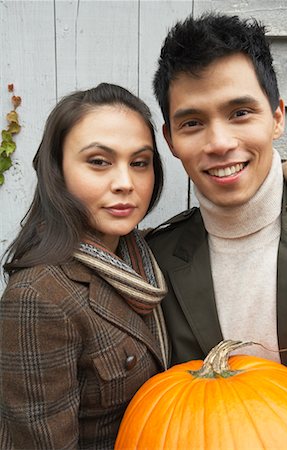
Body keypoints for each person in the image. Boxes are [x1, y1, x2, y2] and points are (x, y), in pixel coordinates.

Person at [0, 83, 169, 449]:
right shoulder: (39, 298)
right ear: (57, 170)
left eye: (139, 163)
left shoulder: (143, 260)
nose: (125, 183)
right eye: (99, 162)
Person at [147, 12, 287, 373]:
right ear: (170, 140)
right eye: (193, 123)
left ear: (277, 117)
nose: (219, 143)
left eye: (240, 112)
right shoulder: (155, 262)